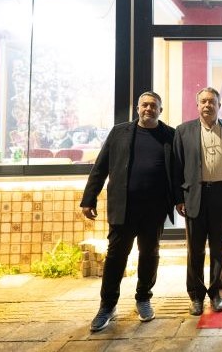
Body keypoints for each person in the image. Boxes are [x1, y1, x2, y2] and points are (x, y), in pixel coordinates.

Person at [80, 91, 177, 332]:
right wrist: (89, 199)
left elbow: (177, 171)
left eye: (153, 105)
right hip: (124, 207)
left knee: (149, 254)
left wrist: (180, 200)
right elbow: (101, 167)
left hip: (154, 209)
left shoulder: (170, 135)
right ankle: (107, 306)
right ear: (138, 108)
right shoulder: (119, 132)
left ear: (160, 110)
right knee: (116, 257)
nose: (148, 109)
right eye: (144, 105)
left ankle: (143, 298)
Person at [173, 87, 222, 316]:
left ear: (219, 105)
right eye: (203, 101)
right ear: (197, 105)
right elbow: (177, 166)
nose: (207, 105)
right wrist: (179, 198)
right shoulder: (184, 131)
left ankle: (217, 293)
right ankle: (196, 296)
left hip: (221, 193)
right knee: (195, 249)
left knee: (219, 248)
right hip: (195, 194)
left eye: (212, 101)